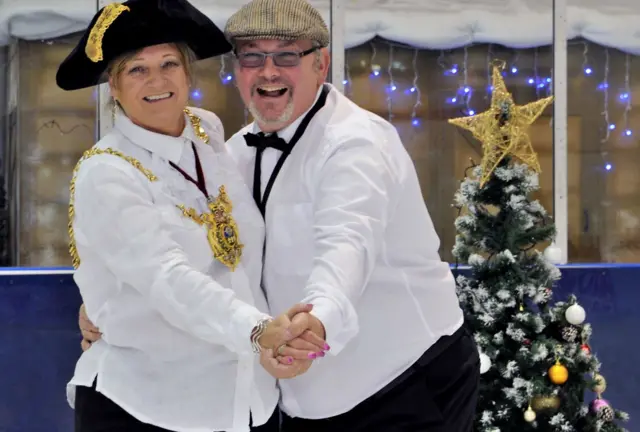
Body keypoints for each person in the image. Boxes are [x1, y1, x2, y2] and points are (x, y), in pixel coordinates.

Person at [79, 0, 480, 430]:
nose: (268, 71)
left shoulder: (354, 144)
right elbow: (170, 266)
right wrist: (112, 303)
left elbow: (348, 246)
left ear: (321, 64)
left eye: (287, 56)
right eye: (252, 56)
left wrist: (314, 326)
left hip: (400, 381)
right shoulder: (227, 149)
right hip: (291, 393)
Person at [59, 1, 328, 431]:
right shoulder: (106, 172)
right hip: (150, 405)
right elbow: (166, 277)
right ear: (113, 84)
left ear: (187, 73)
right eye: (136, 69)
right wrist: (258, 329)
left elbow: (237, 255)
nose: (157, 80)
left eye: (168, 63)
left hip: (245, 398)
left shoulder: (207, 131)